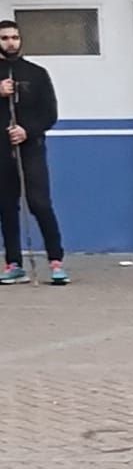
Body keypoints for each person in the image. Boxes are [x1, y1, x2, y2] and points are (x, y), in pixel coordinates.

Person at [0, 19, 66, 286]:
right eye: (4, 38)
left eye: (14, 37)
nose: (10, 42)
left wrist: (27, 131)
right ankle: (13, 263)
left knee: (40, 204)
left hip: (32, 149)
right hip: (2, 153)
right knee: (6, 207)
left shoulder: (37, 73)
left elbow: (50, 113)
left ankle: (56, 261)